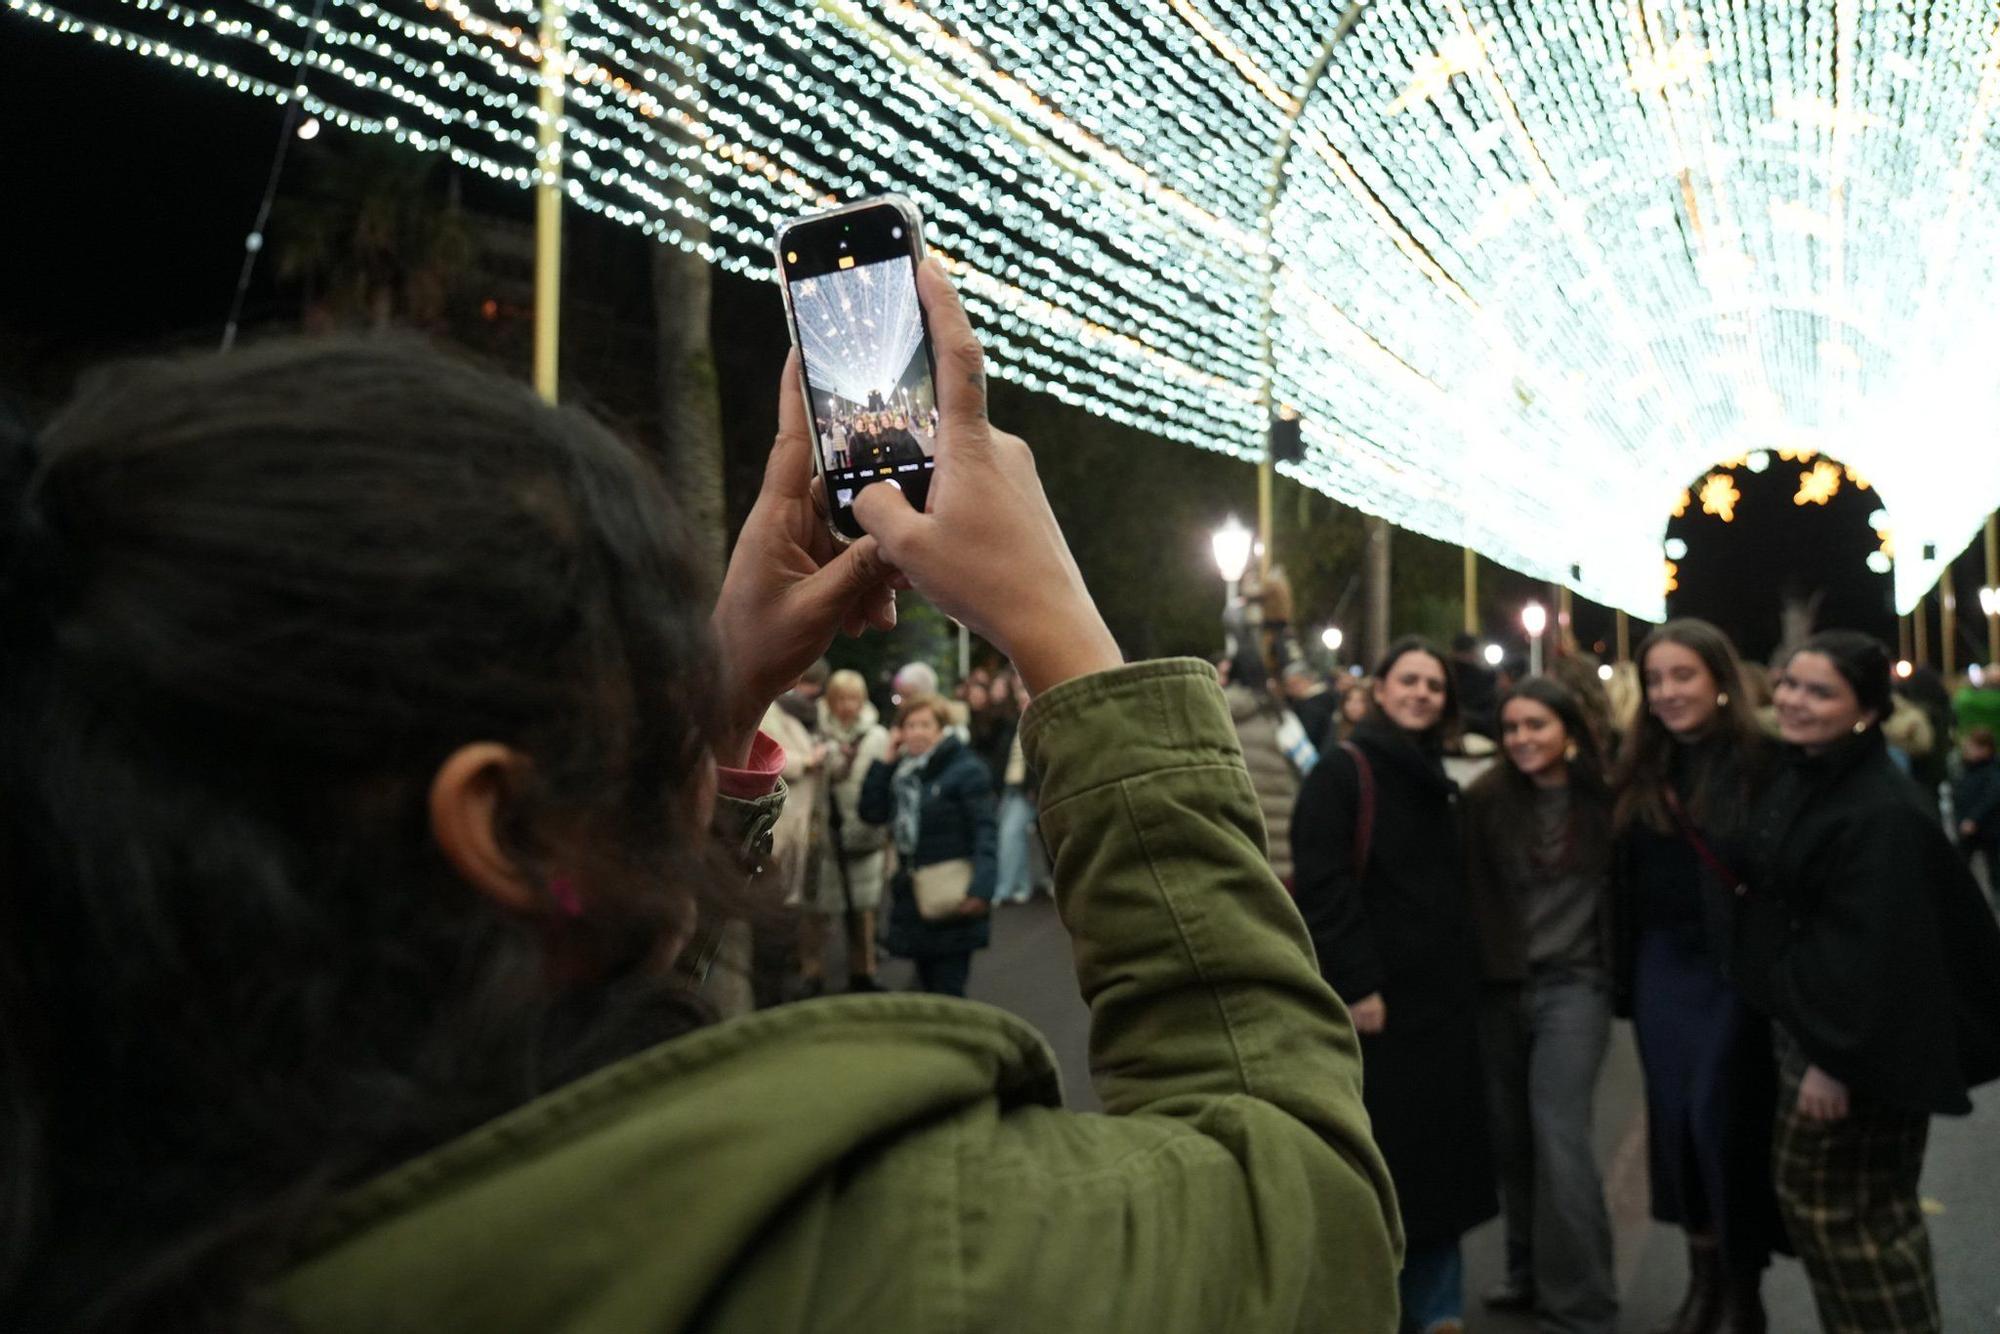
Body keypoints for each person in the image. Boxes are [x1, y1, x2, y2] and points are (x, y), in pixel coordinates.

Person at [0, 262, 1404, 1331]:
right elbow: (1308, 1211)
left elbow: (582, 988)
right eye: (637, 674)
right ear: (494, 829)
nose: (680, 710)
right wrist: (1058, 623)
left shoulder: (112, 1176)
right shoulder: (863, 1256)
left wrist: (701, 704)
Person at [1740, 632, 2000, 1333]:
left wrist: (1835, 1060)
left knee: (1853, 1222)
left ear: (1866, 710)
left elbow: (1884, 949)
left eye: (1820, 691)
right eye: (1790, 683)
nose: (1795, 700)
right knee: (1839, 1218)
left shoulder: (1879, 807)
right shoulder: (1817, 771)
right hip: (1823, 1031)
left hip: (1852, 1053)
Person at [1293, 636, 1497, 1334]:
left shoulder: (1435, 769)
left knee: (1435, 1168)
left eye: (1434, 686)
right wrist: (1356, 984)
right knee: (1385, 1169)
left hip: (1441, 1003)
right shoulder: (1344, 773)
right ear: (1379, 690)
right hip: (1379, 1009)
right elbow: (1323, 889)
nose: (1420, 694)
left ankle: (1438, 1312)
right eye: (1408, 680)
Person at [1610, 620, 1782, 1334]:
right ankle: (1702, 1278)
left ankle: (1743, 1292)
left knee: (1724, 1124)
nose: (1668, 692)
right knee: (1677, 1126)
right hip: (1661, 970)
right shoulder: (1639, 766)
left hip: (1733, 973)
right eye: (1655, 680)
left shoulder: (1762, 761)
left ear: (1720, 681)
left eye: (1682, 676)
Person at [1463, 679, 1618, 1333]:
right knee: (1513, 1140)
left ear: (1570, 731)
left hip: (1575, 986)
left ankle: (1586, 1300)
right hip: (1501, 987)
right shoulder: (1483, 801)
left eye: (1537, 725)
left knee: (1560, 1137)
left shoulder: (1607, 801)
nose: (1523, 738)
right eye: (1513, 727)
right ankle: (1525, 1271)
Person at [859, 693, 998, 996]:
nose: (917, 732)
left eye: (925, 725)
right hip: (912, 895)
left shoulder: (966, 770)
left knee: (947, 990)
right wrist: (885, 761)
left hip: (952, 894)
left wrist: (981, 889)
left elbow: (986, 831)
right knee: (925, 984)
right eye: (910, 725)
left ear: (941, 729)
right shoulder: (902, 772)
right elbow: (871, 812)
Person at [807, 667, 890, 993]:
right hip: (826, 832)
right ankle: (813, 973)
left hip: (864, 832)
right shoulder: (817, 734)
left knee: (863, 910)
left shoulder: (878, 736)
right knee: (817, 914)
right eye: (840, 698)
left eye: (853, 698)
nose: (847, 705)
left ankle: (863, 971)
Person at [1224, 645, 1303, 887]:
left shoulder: (1218, 716)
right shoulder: (1280, 718)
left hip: (1236, 846)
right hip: (1284, 845)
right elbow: (1309, 767)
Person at [1953, 725, 2000, 894]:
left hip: (1988, 829)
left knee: (1994, 868)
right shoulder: (1968, 768)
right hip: (1969, 827)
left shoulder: (1992, 771)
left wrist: (1973, 818)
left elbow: (1991, 797)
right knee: (1959, 865)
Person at [1284, 660, 1340, 750]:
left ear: (1309, 680)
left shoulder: (1313, 705)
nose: (1291, 690)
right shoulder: (1310, 701)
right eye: (1288, 685)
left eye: (1295, 684)